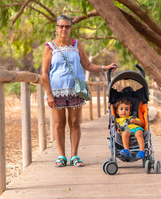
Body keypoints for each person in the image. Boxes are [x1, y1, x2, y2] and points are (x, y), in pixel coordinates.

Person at [42, 15, 118, 167]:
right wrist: (49, 94)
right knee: (58, 123)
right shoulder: (50, 47)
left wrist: (104, 67)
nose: (64, 29)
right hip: (57, 91)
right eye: (61, 26)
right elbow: (44, 73)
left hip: (76, 90)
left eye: (67, 26)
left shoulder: (77, 44)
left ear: (71, 28)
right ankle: (61, 156)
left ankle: (74, 155)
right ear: (56, 28)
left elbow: (88, 65)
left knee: (75, 122)